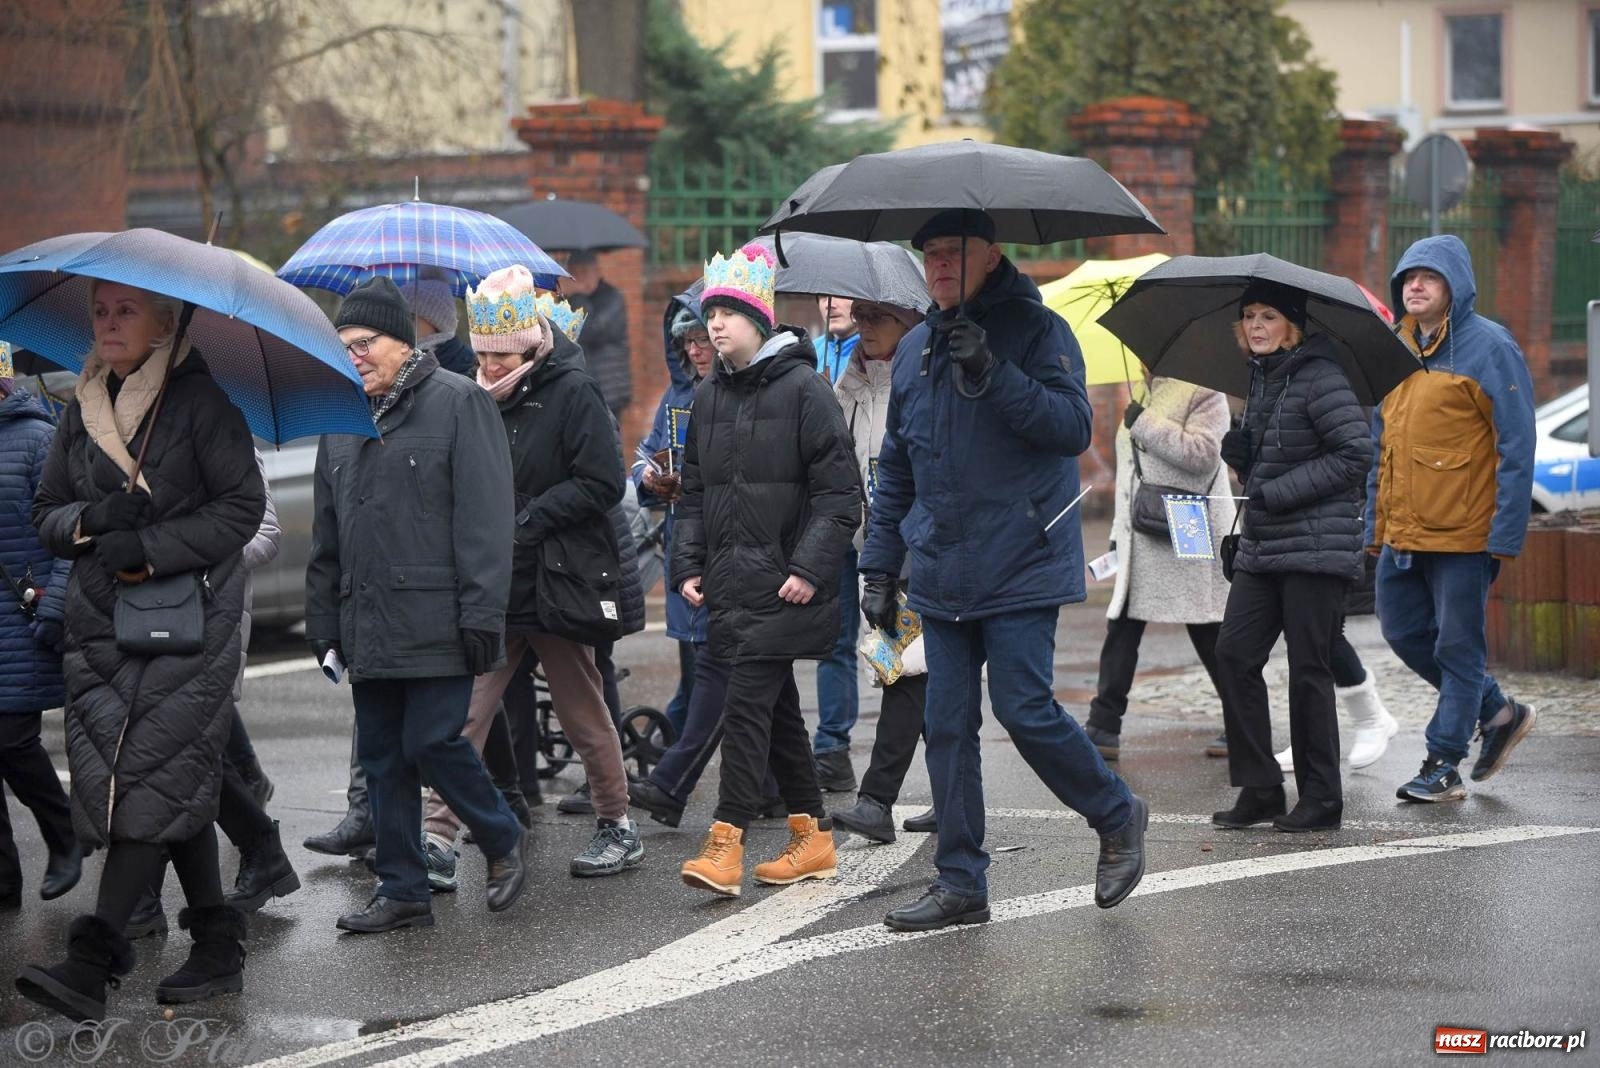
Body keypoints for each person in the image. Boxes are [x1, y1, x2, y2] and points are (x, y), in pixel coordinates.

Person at [859, 210, 1147, 932]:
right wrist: (880, 565)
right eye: (930, 254)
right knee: (947, 726)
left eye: (953, 252)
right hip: (942, 564)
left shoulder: (1039, 329)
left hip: (1021, 556)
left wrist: (993, 371)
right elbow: (899, 464)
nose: (939, 265)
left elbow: (1070, 428)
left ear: (991, 255)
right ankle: (961, 881)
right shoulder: (916, 346)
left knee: (1023, 708)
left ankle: (1116, 813)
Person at [18, 281, 266, 1020]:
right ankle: (217, 946)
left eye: (125, 310)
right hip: (100, 628)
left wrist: (150, 546)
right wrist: (95, 518)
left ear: (164, 322)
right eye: (100, 310)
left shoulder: (202, 403)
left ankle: (91, 965)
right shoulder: (81, 405)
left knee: (145, 780)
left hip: (186, 622)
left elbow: (242, 509)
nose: (108, 322)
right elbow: (46, 513)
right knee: (169, 782)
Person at [304, 276, 528, 934]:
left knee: (431, 740)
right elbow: (327, 536)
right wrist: (324, 624)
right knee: (381, 758)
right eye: (343, 346)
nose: (354, 357)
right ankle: (402, 889)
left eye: (365, 343)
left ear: (404, 343)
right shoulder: (340, 421)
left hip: (438, 617)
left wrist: (481, 617)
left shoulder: (459, 402)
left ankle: (500, 835)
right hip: (367, 619)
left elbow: (487, 523)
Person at [420, 265, 640, 880]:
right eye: (483, 355)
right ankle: (438, 836)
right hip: (495, 578)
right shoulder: (470, 394)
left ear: (529, 344)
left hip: (557, 575)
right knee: (466, 710)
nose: (490, 367)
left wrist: (527, 517)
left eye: (502, 355)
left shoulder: (573, 389)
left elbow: (602, 481)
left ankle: (616, 822)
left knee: (580, 708)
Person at [675, 243, 859, 898]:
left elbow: (842, 495)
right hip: (730, 584)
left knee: (745, 708)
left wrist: (809, 568)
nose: (715, 324)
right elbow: (695, 493)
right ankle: (813, 837)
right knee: (777, 712)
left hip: (783, 584)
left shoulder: (806, 390)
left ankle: (726, 844)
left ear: (758, 319)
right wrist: (687, 563)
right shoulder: (708, 396)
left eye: (728, 312)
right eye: (710, 313)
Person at [1368, 235, 1537, 802]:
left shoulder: (1490, 346)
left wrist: (1504, 534)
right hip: (1404, 530)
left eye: (1429, 277)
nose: (1415, 286)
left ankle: (1443, 763)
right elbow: (1381, 446)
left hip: (1466, 534)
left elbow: (1518, 445)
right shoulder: (1394, 346)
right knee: (1401, 631)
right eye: (1408, 278)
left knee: (1457, 650)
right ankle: (1497, 711)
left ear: (1455, 287)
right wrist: (1375, 526)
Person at [1210, 281, 1371, 834]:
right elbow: (1269, 469)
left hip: (1316, 548)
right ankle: (1261, 788)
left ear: (1293, 326)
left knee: (1308, 670)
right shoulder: (1261, 379)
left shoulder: (1321, 376)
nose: (1256, 325)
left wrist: (1277, 490)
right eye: (1249, 315)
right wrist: (1242, 461)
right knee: (1233, 654)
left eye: (1269, 316)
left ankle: (1322, 798)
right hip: (1264, 546)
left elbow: (1355, 453)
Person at [826, 299, 933, 844]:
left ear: (909, 321)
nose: (864, 326)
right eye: (861, 316)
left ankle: (876, 800)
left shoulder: (921, 377)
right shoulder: (848, 383)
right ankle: (955, 794)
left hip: (919, 549)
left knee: (908, 674)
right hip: (875, 547)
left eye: (878, 317)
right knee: (928, 678)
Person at [1084, 376, 1234, 762]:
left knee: (1206, 624)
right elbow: (1129, 473)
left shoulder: (1204, 390)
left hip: (1190, 524)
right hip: (1142, 530)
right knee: (1123, 624)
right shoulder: (1143, 390)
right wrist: (1117, 535)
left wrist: (1145, 422)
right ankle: (1103, 725)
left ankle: (1243, 722)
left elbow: (1205, 454)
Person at [0, 350, 79, 910]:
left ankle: (65, 832)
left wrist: (55, 610)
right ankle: (4, 883)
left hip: (21, 615)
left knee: (10, 739)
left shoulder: (36, 438)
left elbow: (70, 532)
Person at [562, 249, 632, 421]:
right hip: (579, 387)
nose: (579, 278)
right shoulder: (569, 300)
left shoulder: (612, 298)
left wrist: (578, 295)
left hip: (608, 388)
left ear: (597, 271)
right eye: (573, 273)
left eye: (584, 271)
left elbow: (590, 330)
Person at [405, 268, 476, 377]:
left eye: (411, 317)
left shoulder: (467, 366)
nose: (404, 323)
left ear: (437, 321)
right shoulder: (400, 358)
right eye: (402, 315)